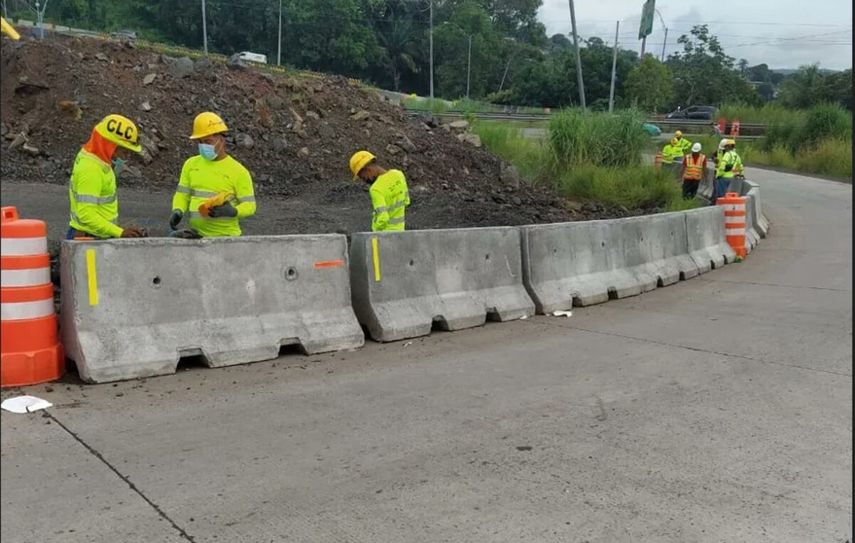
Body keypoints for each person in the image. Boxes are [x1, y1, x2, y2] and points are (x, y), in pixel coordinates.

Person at [169, 112, 256, 237]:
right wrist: (177, 210)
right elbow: (182, 194)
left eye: (208, 141)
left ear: (221, 139)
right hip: (197, 236)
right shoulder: (191, 165)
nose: (204, 146)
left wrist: (233, 211)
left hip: (226, 239)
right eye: (200, 142)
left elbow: (250, 206)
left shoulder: (238, 171)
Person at [67, 114, 146, 240]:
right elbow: (86, 214)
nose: (127, 157)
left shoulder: (98, 159)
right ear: (110, 145)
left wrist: (116, 230)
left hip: (95, 235)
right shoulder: (91, 169)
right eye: (124, 151)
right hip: (87, 240)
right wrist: (119, 232)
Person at [349, 150, 410, 232]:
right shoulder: (398, 174)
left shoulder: (375, 189)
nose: (365, 181)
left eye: (363, 177)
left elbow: (383, 218)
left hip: (384, 236)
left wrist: (375, 231)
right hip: (401, 233)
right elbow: (406, 201)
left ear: (368, 170)